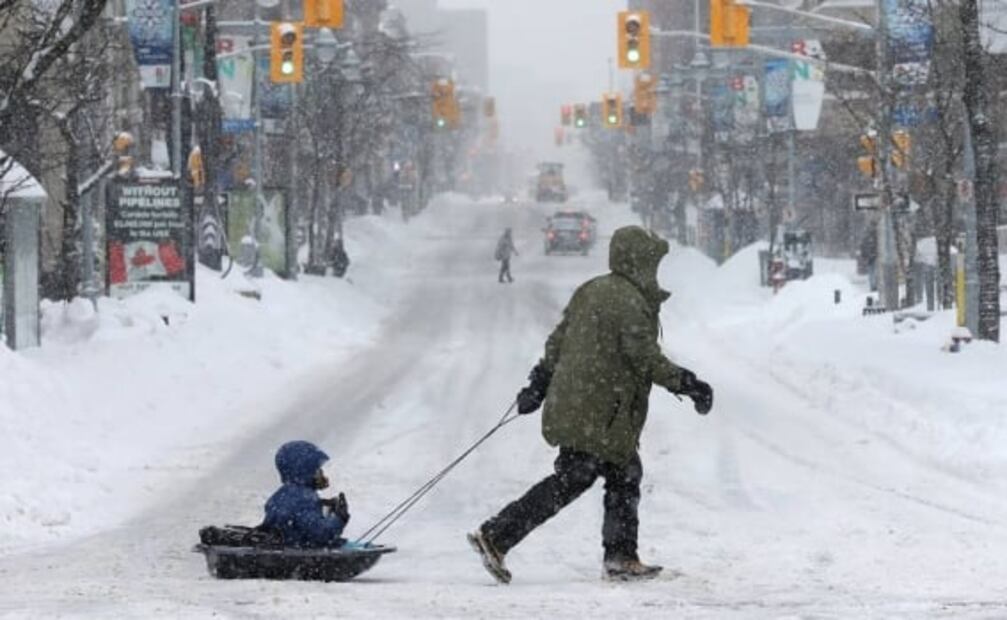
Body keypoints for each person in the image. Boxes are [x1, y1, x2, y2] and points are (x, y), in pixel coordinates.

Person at [468, 226, 714, 583]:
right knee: (589, 477)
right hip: (601, 412)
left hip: (582, 405)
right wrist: (689, 384)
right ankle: (501, 535)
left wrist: (538, 383)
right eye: (652, 262)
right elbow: (645, 358)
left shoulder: (592, 289)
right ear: (639, 261)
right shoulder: (630, 302)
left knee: (613, 474)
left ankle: (614, 556)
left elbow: (557, 341)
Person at [261, 440, 351, 548]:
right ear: (306, 471)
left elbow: (295, 521)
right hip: (301, 551)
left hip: (288, 547)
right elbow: (320, 534)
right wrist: (340, 518)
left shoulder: (282, 494)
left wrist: (320, 504)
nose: (322, 474)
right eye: (317, 469)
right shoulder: (304, 499)